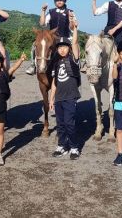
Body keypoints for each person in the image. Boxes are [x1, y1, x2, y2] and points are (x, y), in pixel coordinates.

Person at [26, 0, 77, 75]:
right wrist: (43, 11)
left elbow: (72, 28)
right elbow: (42, 24)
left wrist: (71, 19)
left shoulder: (70, 12)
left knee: (75, 46)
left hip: (66, 37)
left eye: (61, 0)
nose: (59, 1)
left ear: (65, 0)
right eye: (57, 0)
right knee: (34, 45)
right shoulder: (51, 12)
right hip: (52, 38)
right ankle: (32, 65)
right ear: (54, 1)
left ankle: (76, 65)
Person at [49, 22, 81, 160]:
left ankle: (74, 147)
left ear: (69, 48)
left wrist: (75, 29)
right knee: (60, 124)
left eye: (65, 47)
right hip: (59, 98)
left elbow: (75, 43)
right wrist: (51, 99)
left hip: (70, 97)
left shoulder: (74, 60)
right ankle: (61, 145)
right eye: (60, 47)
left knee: (69, 123)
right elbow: (54, 83)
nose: (62, 49)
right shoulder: (56, 63)